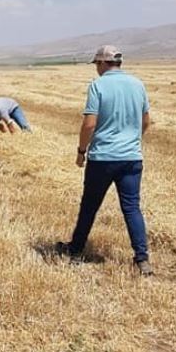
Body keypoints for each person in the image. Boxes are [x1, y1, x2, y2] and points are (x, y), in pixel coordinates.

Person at [57, 46, 153, 275]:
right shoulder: (138, 84)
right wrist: (131, 140)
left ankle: (76, 248)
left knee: (89, 205)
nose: (97, 69)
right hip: (132, 157)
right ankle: (142, 259)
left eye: (96, 64)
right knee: (131, 208)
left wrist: (81, 151)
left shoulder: (98, 85)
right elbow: (146, 121)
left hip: (103, 158)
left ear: (101, 63)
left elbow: (89, 124)